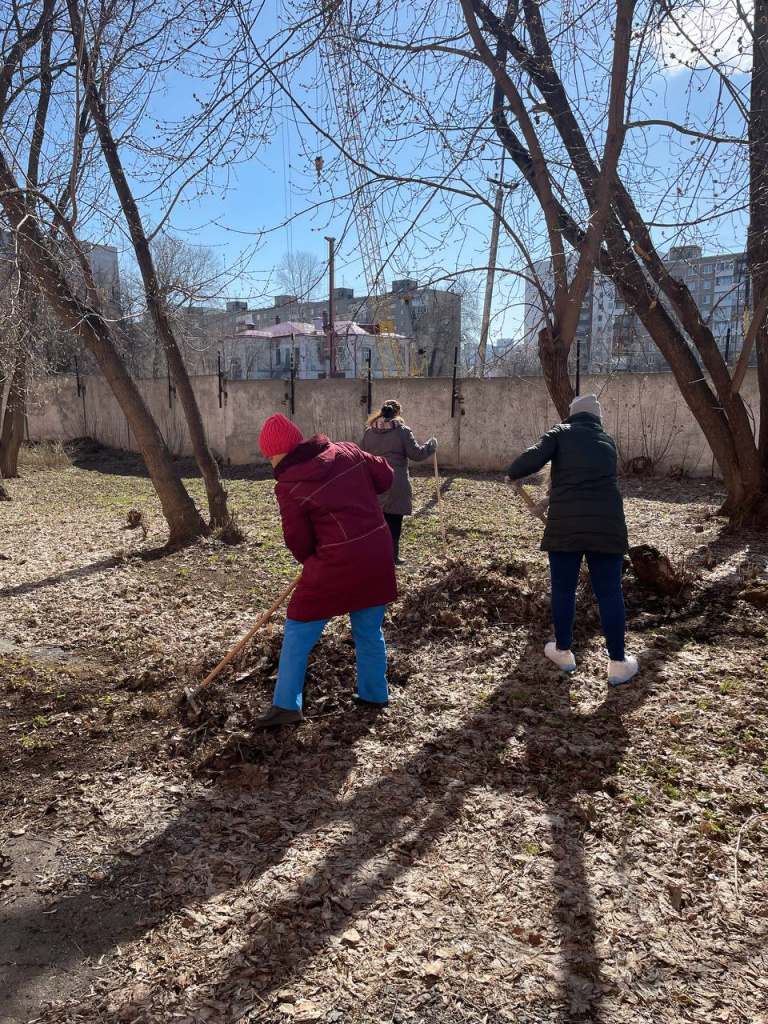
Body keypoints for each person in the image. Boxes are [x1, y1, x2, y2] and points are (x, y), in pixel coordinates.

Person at [255, 413, 398, 728]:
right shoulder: (347, 450)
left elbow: (297, 540)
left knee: (298, 627)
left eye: (270, 455)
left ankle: (286, 705)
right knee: (369, 630)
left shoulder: (289, 484)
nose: (270, 462)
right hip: (376, 553)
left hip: (335, 565)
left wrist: (314, 562)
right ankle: (375, 694)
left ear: (282, 452)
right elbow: (385, 477)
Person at [505, 394, 639, 686]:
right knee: (610, 592)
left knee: (563, 588)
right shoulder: (607, 442)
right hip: (607, 524)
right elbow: (588, 482)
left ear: (572, 415)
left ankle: (563, 650)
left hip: (566, 527)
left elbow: (532, 457)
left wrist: (513, 473)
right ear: (597, 418)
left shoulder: (560, 433)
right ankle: (618, 662)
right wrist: (548, 500)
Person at [360, 400, 437, 565]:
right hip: (396, 480)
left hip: (375, 482)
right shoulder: (402, 431)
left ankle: (376, 554)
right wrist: (430, 447)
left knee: (378, 521)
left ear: (381, 413)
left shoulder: (369, 432)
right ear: (398, 413)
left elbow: (362, 456)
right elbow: (416, 454)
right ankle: (393, 555)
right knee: (394, 521)